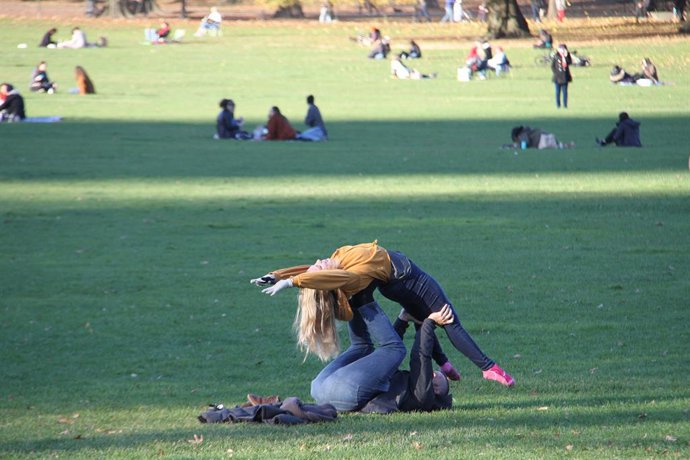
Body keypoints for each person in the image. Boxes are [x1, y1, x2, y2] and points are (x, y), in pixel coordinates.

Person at [250, 241, 515, 387]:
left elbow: (312, 271)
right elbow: (321, 276)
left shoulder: (336, 264)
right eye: (319, 270)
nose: (317, 263)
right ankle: (489, 368)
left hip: (390, 283)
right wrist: (291, 284)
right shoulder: (348, 277)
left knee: (421, 315)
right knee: (448, 318)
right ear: (328, 279)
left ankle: (445, 365)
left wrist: (277, 275)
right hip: (407, 277)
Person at [310, 302, 455, 413]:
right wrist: (403, 320)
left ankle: (363, 298)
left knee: (396, 349)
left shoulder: (423, 396)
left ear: (436, 391)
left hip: (341, 394)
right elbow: (386, 360)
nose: (434, 373)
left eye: (437, 377)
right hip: (319, 387)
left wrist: (429, 323)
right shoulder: (404, 387)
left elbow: (422, 357)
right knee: (362, 347)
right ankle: (351, 298)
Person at [509, 126, 574, 150]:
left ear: (517, 136)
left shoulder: (522, 134)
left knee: (547, 147)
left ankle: (562, 146)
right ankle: (566, 145)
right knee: (557, 146)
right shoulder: (529, 129)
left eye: (516, 140)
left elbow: (525, 143)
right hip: (550, 137)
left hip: (542, 141)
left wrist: (517, 147)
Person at [551, 43, 572, 109]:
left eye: (563, 49)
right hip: (557, 77)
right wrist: (555, 73)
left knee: (565, 92)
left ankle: (565, 105)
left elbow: (569, 62)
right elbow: (552, 66)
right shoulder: (556, 56)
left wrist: (565, 56)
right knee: (557, 92)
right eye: (560, 49)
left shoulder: (567, 56)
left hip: (565, 77)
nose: (562, 50)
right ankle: (558, 105)